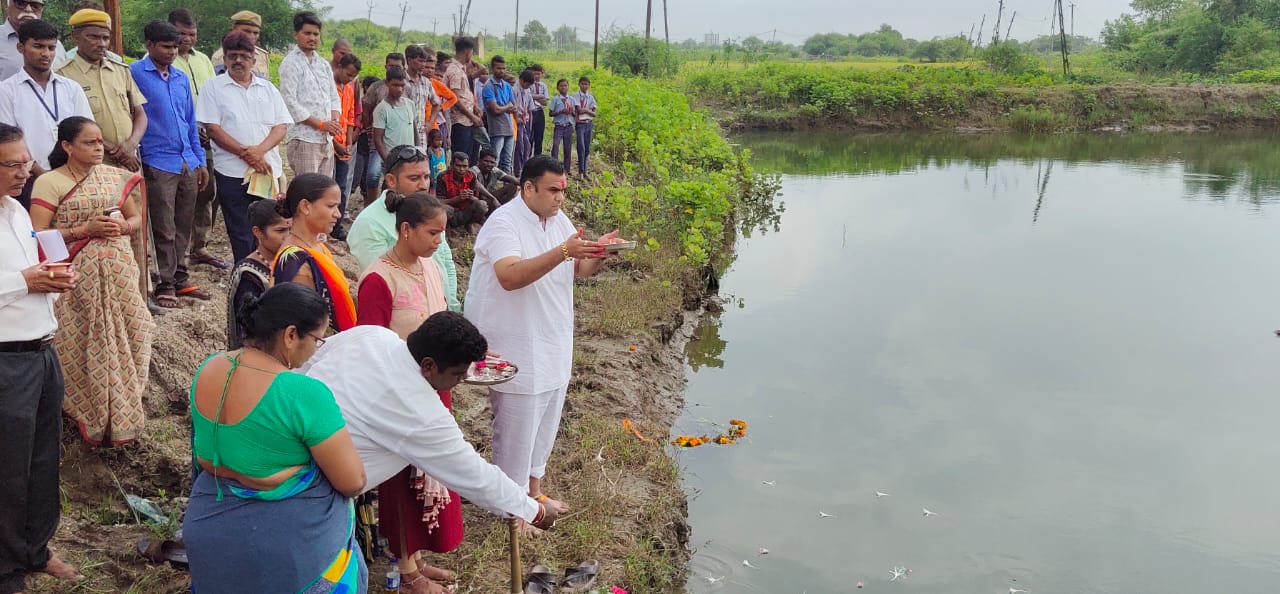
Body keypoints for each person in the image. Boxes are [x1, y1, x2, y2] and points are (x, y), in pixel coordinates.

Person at [299, 314, 563, 591]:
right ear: (428, 366)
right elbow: (475, 476)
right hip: (313, 496)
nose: (461, 381)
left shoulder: (371, 336)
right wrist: (533, 510)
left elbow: (307, 365)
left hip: (285, 454)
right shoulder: (419, 411)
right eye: (458, 374)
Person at [464, 156, 621, 527]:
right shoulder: (503, 223)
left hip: (552, 335)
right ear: (528, 188)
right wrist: (564, 251)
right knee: (517, 426)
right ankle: (513, 507)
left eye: (562, 190)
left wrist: (598, 255)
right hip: (514, 338)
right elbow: (509, 276)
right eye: (552, 190)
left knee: (547, 415)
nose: (559, 198)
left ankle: (533, 490)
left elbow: (578, 270)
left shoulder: (559, 221)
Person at [184, 282, 367, 594]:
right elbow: (352, 482)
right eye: (317, 339)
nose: (316, 348)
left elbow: (208, 453)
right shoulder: (301, 393)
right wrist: (297, 471)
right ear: (291, 335)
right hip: (285, 551)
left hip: (208, 537)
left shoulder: (208, 368)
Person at [29, 116, 155, 447]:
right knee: (83, 340)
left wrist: (123, 228)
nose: (99, 147)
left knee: (134, 330)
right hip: (75, 279)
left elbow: (134, 216)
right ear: (67, 146)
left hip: (120, 274)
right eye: (89, 142)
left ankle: (125, 411)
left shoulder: (112, 177)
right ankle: (88, 414)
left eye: (100, 141)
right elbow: (37, 235)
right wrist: (85, 231)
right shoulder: (50, 183)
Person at [0, 122, 83, 594]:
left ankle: (35, 547)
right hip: (5, 358)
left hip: (41, 350)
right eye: (11, 164)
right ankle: (7, 566)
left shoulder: (15, 211)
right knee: (7, 465)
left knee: (41, 458)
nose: (23, 172)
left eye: (25, 161)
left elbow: (30, 272)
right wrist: (25, 283)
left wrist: (52, 280)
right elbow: (18, 280)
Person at [132, 20, 211, 309]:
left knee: (183, 222)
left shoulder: (179, 78)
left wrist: (199, 160)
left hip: (187, 160)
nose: (172, 52)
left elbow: (190, 121)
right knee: (163, 226)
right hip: (157, 159)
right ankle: (164, 283)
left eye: (175, 47)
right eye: (166, 46)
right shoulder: (135, 74)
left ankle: (180, 277)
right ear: (149, 45)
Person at [197, 30, 291, 263]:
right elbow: (213, 129)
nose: (238, 60)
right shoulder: (213, 88)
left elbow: (281, 126)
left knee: (269, 225)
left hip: (267, 171)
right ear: (225, 58)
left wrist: (259, 152)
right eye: (232, 55)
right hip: (232, 172)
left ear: (253, 58)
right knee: (240, 229)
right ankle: (247, 273)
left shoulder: (267, 89)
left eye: (243, 55)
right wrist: (247, 155)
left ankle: (269, 271)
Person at [348, 145, 459, 311]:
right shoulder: (370, 223)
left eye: (427, 177)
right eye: (414, 178)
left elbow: (446, 263)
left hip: (441, 316)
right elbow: (379, 282)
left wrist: (453, 307)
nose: (423, 185)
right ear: (391, 180)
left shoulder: (429, 212)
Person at [0, 19, 91, 209]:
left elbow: (86, 133)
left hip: (75, 179)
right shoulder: (6, 91)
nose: (46, 54)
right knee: (38, 235)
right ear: (20, 47)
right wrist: (44, 177)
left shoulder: (71, 88)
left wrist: (71, 175)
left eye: (51, 48)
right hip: (31, 180)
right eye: (38, 46)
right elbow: (11, 142)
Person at [168, 8, 226, 271]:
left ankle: (200, 246)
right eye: (182, 34)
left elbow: (214, 96)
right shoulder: (161, 58)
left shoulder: (203, 60)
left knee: (207, 191)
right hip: (176, 139)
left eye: (192, 34)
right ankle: (177, 253)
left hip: (206, 136)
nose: (187, 39)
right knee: (180, 197)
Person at [58, 8, 146, 172]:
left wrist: (131, 145)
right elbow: (67, 126)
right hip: (93, 165)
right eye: (93, 37)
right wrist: (117, 151)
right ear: (75, 37)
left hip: (131, 160)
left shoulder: (121, 70)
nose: (102, 44)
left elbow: (140, 113)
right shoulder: (62, 75)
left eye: (105, 38)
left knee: (135, 198)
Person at [271, 173, 355, 333]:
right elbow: (304, 327)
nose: (337, 214)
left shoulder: (317, 246)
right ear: (305, 207)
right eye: (331, 206)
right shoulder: (297, 263)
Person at [279, 11, 341, 178]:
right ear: (296, 34)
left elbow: (333, 96)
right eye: (307, 33)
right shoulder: (290, 63)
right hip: (304, 139)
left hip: (326, 139)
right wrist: (321, 124)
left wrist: (334, 122)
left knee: (324, 191)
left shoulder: (323, 64)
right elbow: (289, 102)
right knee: (307, 190)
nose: (312, 38)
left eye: (316, 34)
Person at [227, 200, 288, 351]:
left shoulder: (290, 261)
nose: (287, 237)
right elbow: (249, 332)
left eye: (291, 230)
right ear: (258, 232)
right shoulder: (249, 274)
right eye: (280, 231)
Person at [358, 52, 404, 197]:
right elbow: (366, 108)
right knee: (373, 175)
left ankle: (389, 204)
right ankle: (370, 207)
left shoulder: (405, 87)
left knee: (395, 176)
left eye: (397, 66)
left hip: (399, 138)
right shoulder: (376, 87)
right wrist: (368, 128)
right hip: (379, 139)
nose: (393, 69)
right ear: (385, 66)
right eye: (390, 66)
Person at [331, 52, 361, 241]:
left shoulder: (349, 88)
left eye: (353, 76)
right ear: (339, 67)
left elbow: (350, 117)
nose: (350, 79)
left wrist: (348, 142)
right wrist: (336, 144)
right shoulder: (328, 87)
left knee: (341, 187)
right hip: (328, 143)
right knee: (326, 186)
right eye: (348, 74)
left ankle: (336, 225)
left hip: (343, 146)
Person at [0, 0, 64, 81]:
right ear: (6, 5)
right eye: (20, 4)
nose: (28, 9)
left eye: (35, 6)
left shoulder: (57, 45)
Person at [443, 36, 483, 163]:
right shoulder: (455, 71)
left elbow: (464, 95)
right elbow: (456, 99)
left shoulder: (461, 69)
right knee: (461, 159)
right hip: (460, 122)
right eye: (471, 52)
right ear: (467, 52)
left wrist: (475, 107)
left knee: (469, 158)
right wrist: (472, 116)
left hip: (467, 120)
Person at [436, 151, 496, 233]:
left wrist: (471, 197)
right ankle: (448, 228)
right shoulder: (442, 177)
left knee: (482, 205)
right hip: (452, 212)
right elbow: (438, 202)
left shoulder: (471, 176)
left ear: (468, 166)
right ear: (451, 165)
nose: (461, 169)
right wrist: (457, 199)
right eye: (458, 166)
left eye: (465, 166)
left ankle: (470, 224)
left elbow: (477, 199)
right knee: (445, 209)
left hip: (466, 211)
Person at [372, 66, 420, 163]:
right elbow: (378, 139)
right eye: (395, 85)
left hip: (410, 157)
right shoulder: (382, 109)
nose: (399, 89)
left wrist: (417, 152)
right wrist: (388, 162)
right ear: (387, 83)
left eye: (402, 85)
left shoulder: (410, 104)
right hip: (393, 158)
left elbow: (415, 131)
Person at [482, 56, 516, 173]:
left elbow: (514, 107)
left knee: (508, 160)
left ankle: (508, 187)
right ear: (492, 69)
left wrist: (503, 107)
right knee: (494, 161)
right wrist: (506, 107)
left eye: (503, 68)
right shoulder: (488, 86)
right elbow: (495, 110)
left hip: (509, 127)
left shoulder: (507, 85)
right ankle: (491, 186)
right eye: (498, 68)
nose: (501, 71)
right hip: (496, 129)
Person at [210, 10, 269, 78]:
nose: (251, 36)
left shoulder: (262, 55)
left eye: (255, 33)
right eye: (247, 31)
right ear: (234, 30)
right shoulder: (221, 56)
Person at [512, 69, 536, 177]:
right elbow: (513, 106)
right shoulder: (514, 90)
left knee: (527, 145)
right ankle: (518, 170)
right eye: (527, 84)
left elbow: (530, 108)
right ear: (521, 80)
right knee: (519, 146)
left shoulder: (527, 91)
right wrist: (516, 118)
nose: (528, 86)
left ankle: (525, 168)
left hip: (525, 121)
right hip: (517, 120)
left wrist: (529, 125)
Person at [573, 76, 597, 176]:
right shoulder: (576, 96)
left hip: (589, 124)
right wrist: (588, 110)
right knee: (581, 147)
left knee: (587, 148)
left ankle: (585, 170)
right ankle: (580, 171)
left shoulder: (591, 97)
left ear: (589, 85)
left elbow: (594, 113)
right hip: (580, 124)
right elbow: (579, 110)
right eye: (582, 84)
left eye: (586, 84)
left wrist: (586, 110)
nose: (584, 86)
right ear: (579, 84)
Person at [548, 78, 574, 172]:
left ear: (568, 87)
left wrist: (572, 111)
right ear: (558, 88)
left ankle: (567, 169)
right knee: (555, 145)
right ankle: (554, 167)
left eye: (565, 85)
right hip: (559, 126)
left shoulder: (571, 99)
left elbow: (575, 114)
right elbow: (550, 113)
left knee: (567, 148)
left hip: (568, 126)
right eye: (561, 86)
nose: (563, 87)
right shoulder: (555, 99)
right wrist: (560, 111)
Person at [529, 65, 548, 156]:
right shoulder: (528, 84)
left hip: (540, 112)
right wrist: (540, 96)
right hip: (530, 112)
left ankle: (538, 158)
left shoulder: (544, 86)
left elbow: (545, 102)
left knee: (539, 136)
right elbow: (528, 97)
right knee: (530, 137)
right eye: (534, 74)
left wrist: (534, 97)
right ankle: (527, 158)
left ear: (542, 74)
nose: (536, 76)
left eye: (538, 74)